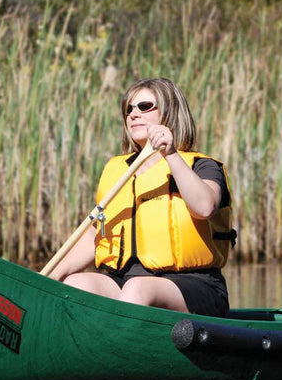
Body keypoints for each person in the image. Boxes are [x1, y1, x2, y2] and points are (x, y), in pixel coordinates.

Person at [47, 77, 236, 317]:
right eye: (129, 109)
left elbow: (204, 207)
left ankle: (118, 351)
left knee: (138, 288)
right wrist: (52, 276)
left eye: (145, 106)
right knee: (77, 284)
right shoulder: (118, 170)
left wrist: (171, 154)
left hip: (195, 285)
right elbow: (97, 235)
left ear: (170, 113)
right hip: (125, 281)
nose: (133, 114)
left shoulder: (202, 166)